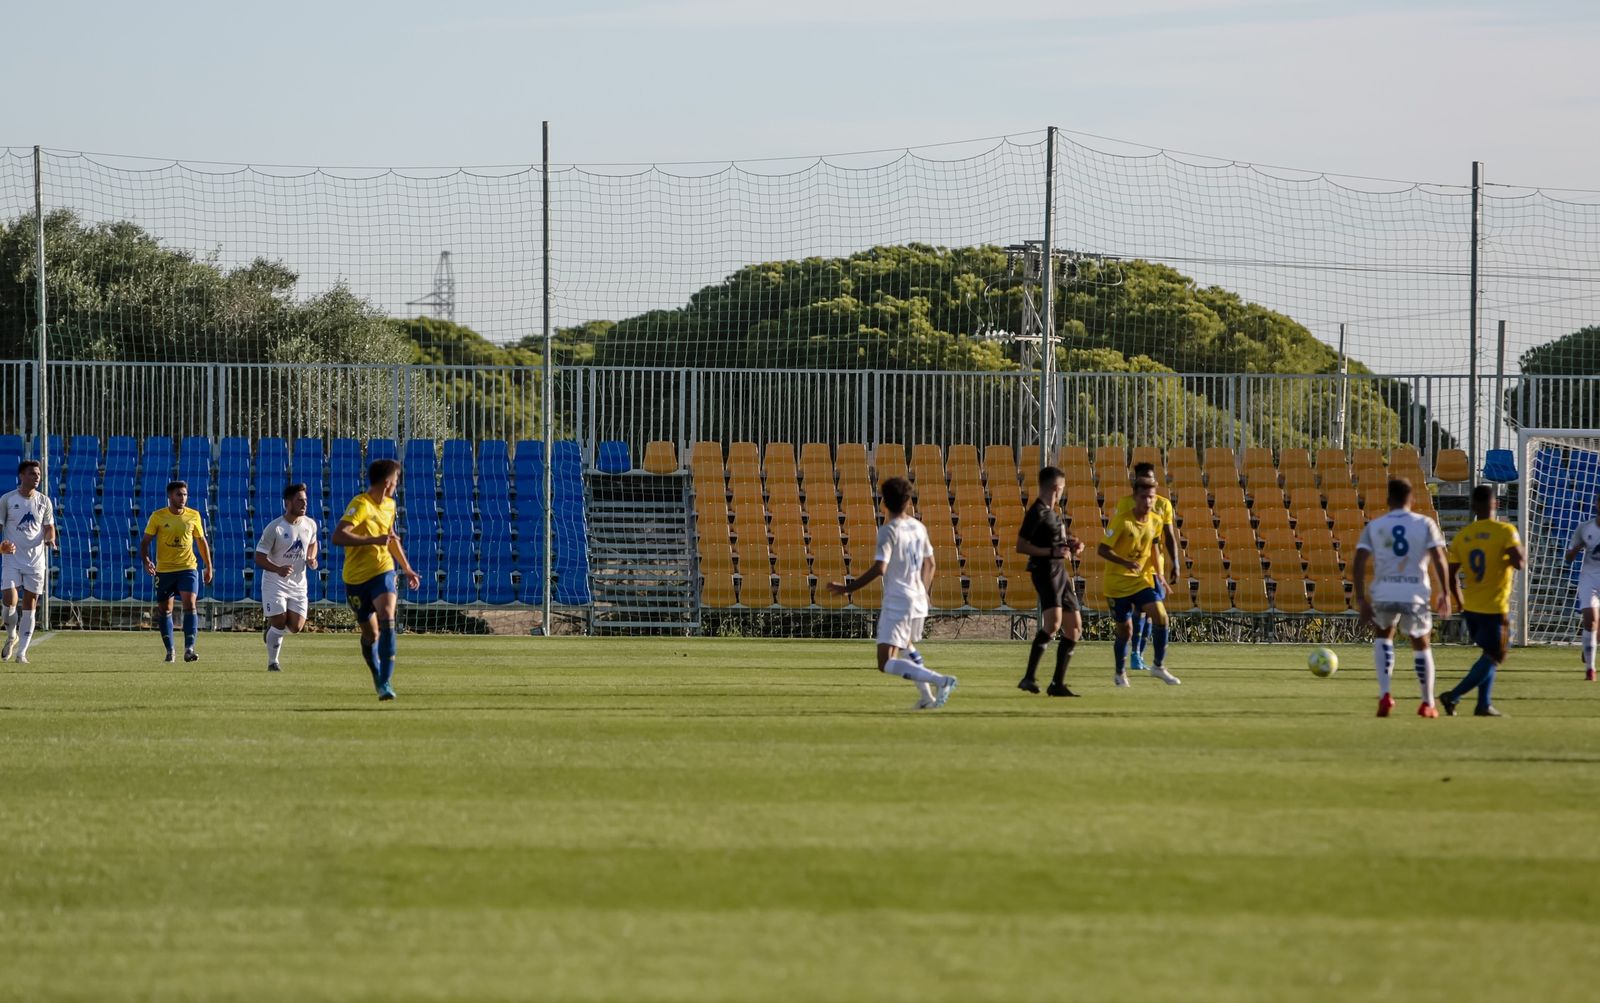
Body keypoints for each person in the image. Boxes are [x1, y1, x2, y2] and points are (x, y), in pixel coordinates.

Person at [827, 476, 957, 709]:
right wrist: (922, 591)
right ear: (908, 501)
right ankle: (927, 698)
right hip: (918, 599)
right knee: (907, 646)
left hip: (898, 600)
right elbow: (931, 564)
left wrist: (848, 588)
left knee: (885, 662)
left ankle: (941, 680)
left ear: (883, 503)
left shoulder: (888, 531)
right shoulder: (919, 527)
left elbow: (880, 568)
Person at [1352, 477, 1451, 718]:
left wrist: (1362, 599)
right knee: (1421, 642)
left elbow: (1358, 561)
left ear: (1388, 501)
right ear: (1412, 500)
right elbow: (1439, 558)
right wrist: (1446, 592)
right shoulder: (1425, 524)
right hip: (1414, 592)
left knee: (1384, 637)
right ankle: (1427, 702)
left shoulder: (1375, 526)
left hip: (1384, 591)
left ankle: (1385, 694)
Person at [332, 459, 421, 701]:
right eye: (396, 480)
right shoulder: (361, 504)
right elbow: (338, 536)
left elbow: (390, 538)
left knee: (388, 615)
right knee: (371, 635)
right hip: (356, 578)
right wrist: (371, 540)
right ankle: (378, 676)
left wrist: (407, 569)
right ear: (387, 482)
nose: (397, 485)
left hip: (383, 570)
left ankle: (385, 682)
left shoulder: (390, 505)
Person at [1440, 485, 1524, 717]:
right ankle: (1453, 695)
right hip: (1495, 607)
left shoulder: (1462, 537)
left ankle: (1483, 705)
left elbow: (1450, 574)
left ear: (1473, 506)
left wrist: (1459, 600)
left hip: (1471, 607)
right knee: (1498, 654)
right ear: (1494, 504)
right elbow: (1519, 563)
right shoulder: (1505, 530)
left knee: (1489, 653)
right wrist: (1515, 554)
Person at [1099, 477, 1179, 687]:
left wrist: (1159, 572)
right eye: (1144, 497)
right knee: (1125, 631)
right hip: (1117, 584)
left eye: (1151, 497)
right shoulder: (1122, 521)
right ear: (1135, 497)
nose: (1148, 501)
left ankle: (1158, 666)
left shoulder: (1155, 520)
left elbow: (1153, 546)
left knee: (1161, 616)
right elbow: (1102, 549)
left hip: (1141, 581)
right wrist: (1124, 562)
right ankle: (1119, 673)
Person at [1015, 466, 1085, 697]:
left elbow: (1058, 544)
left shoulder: (1053, 513)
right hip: (1044, 570)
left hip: (1060, 572)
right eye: (1062, 488)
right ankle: (1028, 677)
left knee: (1074, 628)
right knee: (1053, 623)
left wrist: (1071, 544)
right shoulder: (1036, 512)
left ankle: (1057, 684)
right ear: (1057, 488)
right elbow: (1021, 545)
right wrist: (1051, 552)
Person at [139, 480, 213, 663]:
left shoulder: (194, 516)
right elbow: (145, 542)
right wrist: (146, 560)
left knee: (190, 603)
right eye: (179, 494)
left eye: (185, 494)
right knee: (165, 610)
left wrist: (208, 565)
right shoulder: (158, 516)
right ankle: (170, 650)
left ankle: (189, 649)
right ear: (170, 496)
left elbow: (201, 542)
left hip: (188, 567)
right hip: (164, 570)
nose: (183, 498)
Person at [254, 482, 320, 673]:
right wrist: (278, 569)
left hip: (299, 584)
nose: (304, 504)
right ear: (288, 503)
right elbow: (259, 556)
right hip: (275, 582)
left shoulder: (311, 524)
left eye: (305, 500)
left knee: (297, 627)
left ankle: (272, 632)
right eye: (299, 500)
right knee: (279, 622)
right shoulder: (274, 528)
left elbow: (313, 544)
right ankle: (273, 662)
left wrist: (311, 557)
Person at [0, 460, 57, 664]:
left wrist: (50, 538)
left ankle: (22, 653)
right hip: (12, 559)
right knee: (9, 601)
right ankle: (11, 635)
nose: (37, 477)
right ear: (21, 476)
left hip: (35, 562)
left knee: (30, 606)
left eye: (39, 474)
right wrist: (2, 546)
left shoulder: (44, 501)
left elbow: (49, 527)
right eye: (32, 474)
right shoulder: (7, 499)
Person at [1562, 491, 1600, 682]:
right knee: (1590, 620)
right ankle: (1590, 670)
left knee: (1597, 629)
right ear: (1597, 504)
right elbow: (1568, 559)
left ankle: (1590, 644)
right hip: (1589, 578)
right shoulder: (1585, 528)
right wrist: (1576, 550)